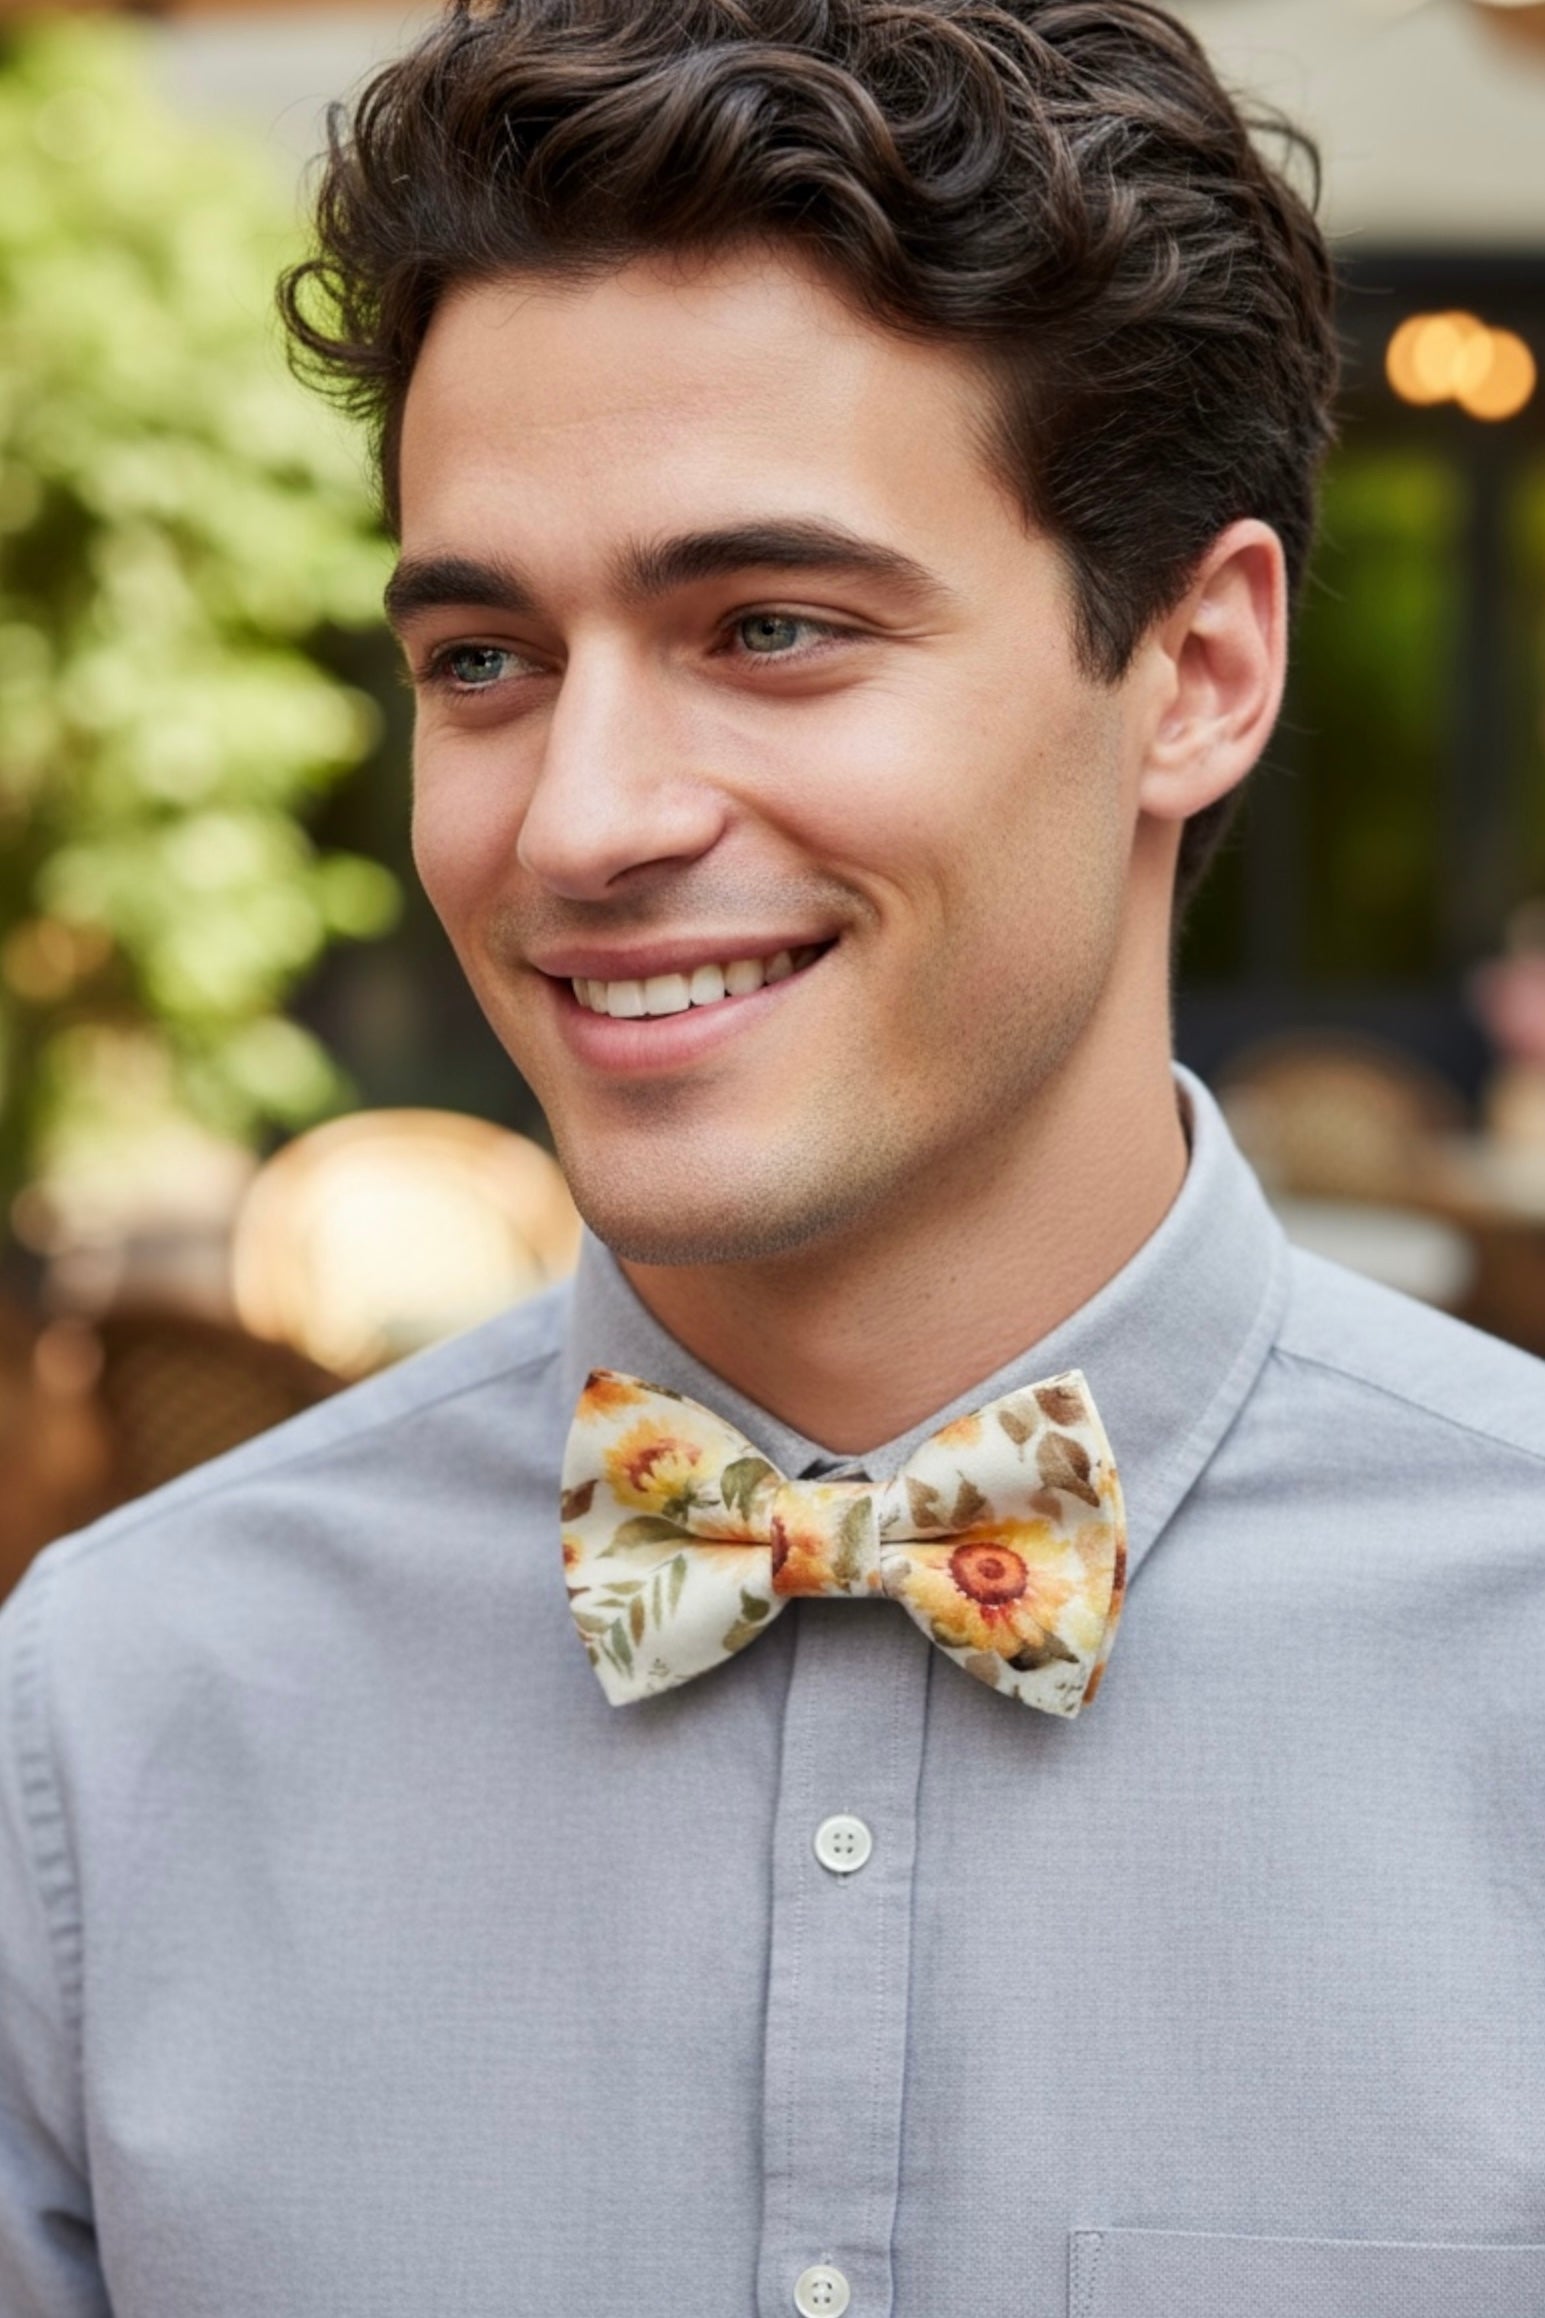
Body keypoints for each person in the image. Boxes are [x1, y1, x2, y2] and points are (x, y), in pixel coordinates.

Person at [2, 2, 1542, 2312]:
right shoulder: (112, 1732)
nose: (584, 820)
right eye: (485, 659)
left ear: (1202, 669)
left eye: (773, 627)